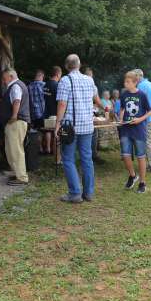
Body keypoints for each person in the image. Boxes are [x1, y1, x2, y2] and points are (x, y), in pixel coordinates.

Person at [55, 54, 101, 203]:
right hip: (87, 126)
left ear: (66, 66)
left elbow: (62, 104)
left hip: (71, 128)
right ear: (79, 64)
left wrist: (57, 124)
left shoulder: (65, 80)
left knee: (68, 159)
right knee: (87, 159)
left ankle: (75, 193)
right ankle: (88, 193)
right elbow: (95, 98)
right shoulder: (89, 80)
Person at [120, 71, 151, 194]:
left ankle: (142, 182)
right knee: (126, 155)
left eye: (128, 82)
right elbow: (122, 109)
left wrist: (139, 119)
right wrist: (121, 119)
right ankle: (132, 175)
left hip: (139, 130)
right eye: (125, 81)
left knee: (140, 157)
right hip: (126, 129)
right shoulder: (124, 94)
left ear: (135, 82)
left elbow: (149, 112)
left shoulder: (142, 95)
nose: (125, 83)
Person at [0, 68, 31, 186]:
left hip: (16, 122)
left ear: (11, 76)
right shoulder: (17, 85)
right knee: (11, 149)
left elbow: (17, 101)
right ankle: (17, 172)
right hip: (17, 122)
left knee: (16, 150)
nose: (3, 81)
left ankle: (22, 177)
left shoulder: (15, 86)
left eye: (4, 78)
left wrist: (13, 116)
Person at [43, 66, 62, 155]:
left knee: (47, 130)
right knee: (56, 132)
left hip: (46, 112)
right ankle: (55, 153)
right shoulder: (57, 85)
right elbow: (59, 101)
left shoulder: (45, 85)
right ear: (58, 74)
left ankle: (48, 148)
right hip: (55, 113)